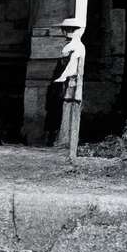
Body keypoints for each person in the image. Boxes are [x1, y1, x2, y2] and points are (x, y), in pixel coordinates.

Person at [50, 20, 86, 153]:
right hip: (72, 82)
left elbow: (71, 67)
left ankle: (66, 140)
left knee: (68, 108)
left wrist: (61, 78)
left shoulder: (73, 47)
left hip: (71, 82)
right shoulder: (75, 46)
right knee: (68, 108)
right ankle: (65, 139)